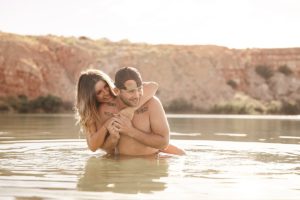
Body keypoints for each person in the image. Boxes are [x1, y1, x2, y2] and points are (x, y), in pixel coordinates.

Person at [75, 68, 185, 155]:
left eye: (106, 86)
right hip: (127, 159)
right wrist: (109, 130)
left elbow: (152, 86)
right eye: (99, 92)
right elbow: (96, 147)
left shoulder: (126, 93)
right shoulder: (97, 111)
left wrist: (131, 110)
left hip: (153, 153)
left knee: (178, 153)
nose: (106, 92)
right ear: (90, 97)